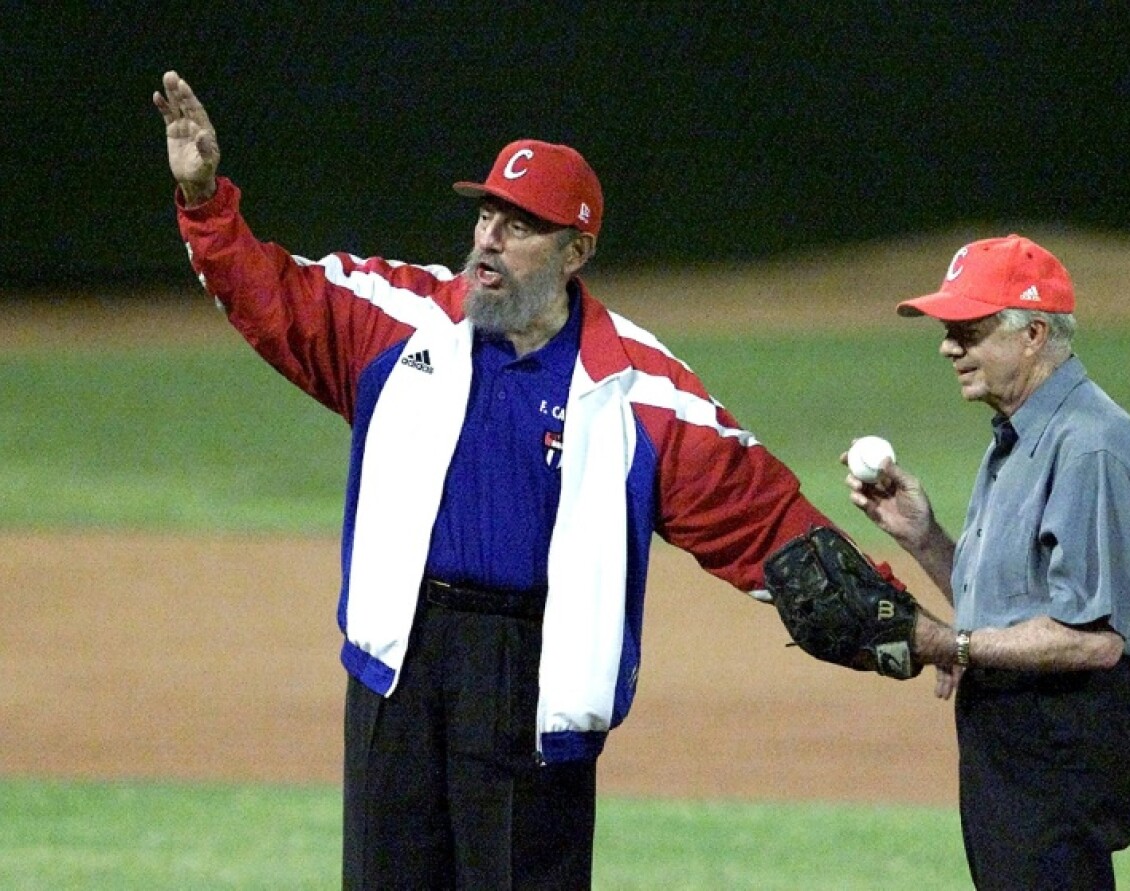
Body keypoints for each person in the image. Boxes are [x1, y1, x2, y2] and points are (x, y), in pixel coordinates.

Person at [153, 70, 923, 889]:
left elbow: (762, 519)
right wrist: (204, 200)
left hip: (532, 672)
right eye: (487, 214)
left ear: (575, 251)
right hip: (396, 669)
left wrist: (899, 624)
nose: (488, 237)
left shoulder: (637, 389)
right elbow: (277, 296)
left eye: (520, 225)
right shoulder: (399, 321)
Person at [846, 234, 1130, 889]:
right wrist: (923, 535)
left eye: (967, 328)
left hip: (1058, 736)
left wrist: (949, 642)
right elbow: (1016, 602)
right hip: (1019, 729)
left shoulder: (1089, 447)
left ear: (1033, 334)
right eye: (947, 329)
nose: (947, 345)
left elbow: (1092, 638)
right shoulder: (1021, 435)